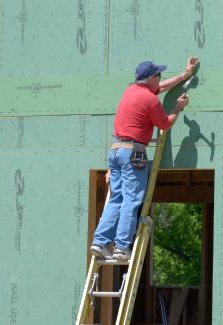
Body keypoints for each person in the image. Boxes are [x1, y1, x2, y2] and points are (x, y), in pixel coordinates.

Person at [90, 56, 199, 260]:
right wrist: (177, 108)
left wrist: (184, 75)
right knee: (131, 200)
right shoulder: (150, 100)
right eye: (158, 75)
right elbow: (164, 124)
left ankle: (100, 242)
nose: (160, 78)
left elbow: (162, 87)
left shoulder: (130, 91)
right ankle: (122, 246)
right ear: (149, 78)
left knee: (117, 198)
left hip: (116, 150)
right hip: (133, 152)